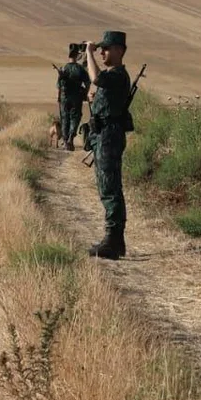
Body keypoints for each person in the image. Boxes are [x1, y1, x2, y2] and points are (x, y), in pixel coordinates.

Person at [83, 31, 132, 259]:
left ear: (119, 50)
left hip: (110, 136)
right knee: (106, 185)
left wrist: (88, 52)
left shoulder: (119, 75)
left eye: (106, 48)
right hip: (103, 134)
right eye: (100, 49)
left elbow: (96, 78)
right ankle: (114, 241)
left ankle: (113, 240)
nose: (102, 52)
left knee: (110, 187)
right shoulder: (113, 76)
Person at [55, 44, 91, 151]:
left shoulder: (63, 68)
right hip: (76, 97)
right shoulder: (80, 69)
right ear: (77, 56)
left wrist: (58, 97)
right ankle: (71, 138)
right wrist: (85, 93)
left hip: (64, 97)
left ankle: (66, 142)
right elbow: (88, 83)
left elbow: (58, 86)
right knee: (75, 118)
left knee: (65, 117)